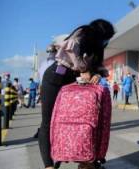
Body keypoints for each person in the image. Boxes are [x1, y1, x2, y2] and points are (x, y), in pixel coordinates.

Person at [38, 19, 115, 169]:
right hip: (55, 78)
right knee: (48, 122)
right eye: (106, 38)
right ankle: (48, 165)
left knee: (82, 120)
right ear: (99, 34)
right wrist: (85, 71)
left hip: (73, 82)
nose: (106, 42)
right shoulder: (81, 36)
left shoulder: (97, 47)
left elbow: (97, 67)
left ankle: (86, 160)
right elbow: (73, 54)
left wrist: (97, 74)